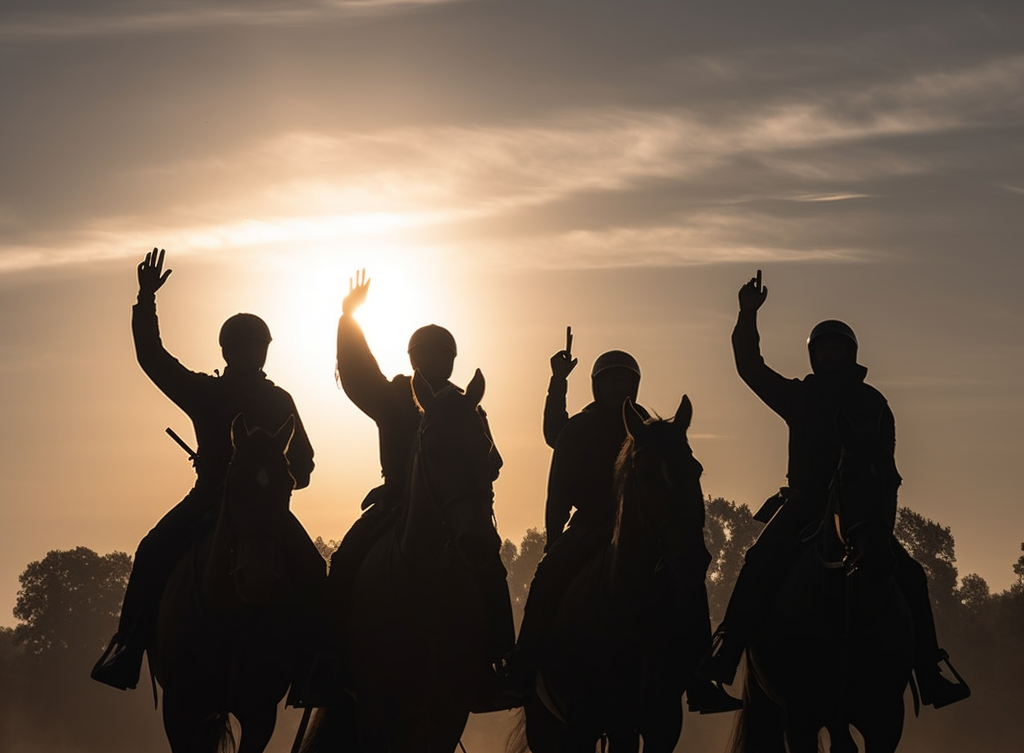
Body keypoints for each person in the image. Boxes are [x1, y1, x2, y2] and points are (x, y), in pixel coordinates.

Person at [699, 270, 970, 709]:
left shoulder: (874, 403)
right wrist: (747, 314)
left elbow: (887, 470)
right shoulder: (798, 397)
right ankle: (724, 659)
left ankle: (928, 669)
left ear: (850, 354)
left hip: (861, 515)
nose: (829, 356)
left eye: (837, 349)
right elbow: (750, 367)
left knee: (913, 577)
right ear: (814, 356)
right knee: (758, 561)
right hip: (805, 507)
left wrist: (877, 519)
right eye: (823, 349)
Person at [91, 249, 315, 691]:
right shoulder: (210, 392)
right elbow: (153, 358)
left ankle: (317, 663)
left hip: (250, 508)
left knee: (311, 567)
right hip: (213, 504)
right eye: (245, 348)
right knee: (152, 550)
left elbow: (303, 461)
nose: (250, 354)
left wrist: (272, 483)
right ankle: (128, 647)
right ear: (233, 352)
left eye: (254, 348)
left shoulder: (274, 399)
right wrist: (145, 302)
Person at [326, 271, 517, 711]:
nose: (437, 361)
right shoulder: (393, 394)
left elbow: (493, 459)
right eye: (429, 354)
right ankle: (329, 658)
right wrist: (348, 319)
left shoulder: (468, 405)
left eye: (444, 355)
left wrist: (485, 464)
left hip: (457, 515)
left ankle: (498, 662)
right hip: (397, 505)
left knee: (491, 568)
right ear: (414, 359)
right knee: (347, 558)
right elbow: (357, 374)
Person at [517, 342, 741, 714]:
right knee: (547, 575)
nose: (618, 388)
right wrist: (553, 540)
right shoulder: (579, 428)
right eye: (610, 382)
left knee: (689, 578)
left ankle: (700, 679)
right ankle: (524, 666)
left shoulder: (650, 430)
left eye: (625, 382)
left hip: (645, 529)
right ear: (597, 387)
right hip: (590, 524)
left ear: (635, 387)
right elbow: (555, 446)